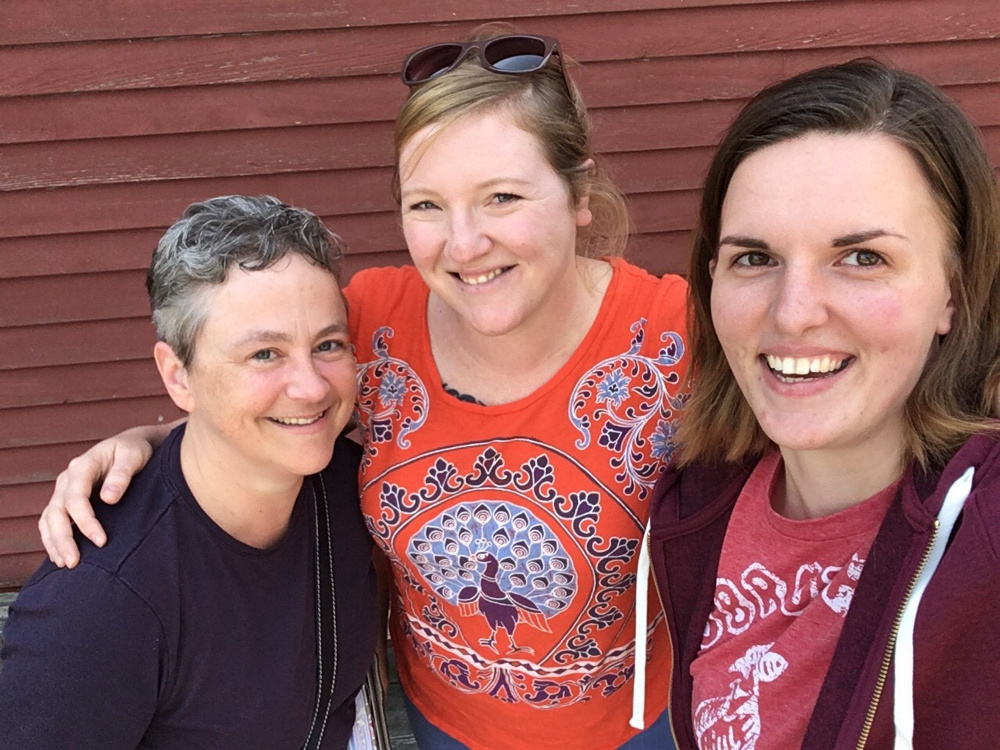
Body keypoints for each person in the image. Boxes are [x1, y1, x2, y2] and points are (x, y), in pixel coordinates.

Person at [33, 33, 686, 750]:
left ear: (579, 194)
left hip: (635, 722)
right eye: (427, 205)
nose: (462, 243)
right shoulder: (373, 323)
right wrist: (142, 443)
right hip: (444, 722)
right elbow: (272, 391)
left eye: (501, 196)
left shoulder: (673, 334)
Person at [640, 60, 1000, 749]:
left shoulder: (982, 543)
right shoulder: (702, 500)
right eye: (755, 258)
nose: (794, 312)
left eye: (862, 258)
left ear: (952, 291)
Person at [0, 196, 377, 749]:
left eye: (328, 344)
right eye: (264, 355)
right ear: (178, 377)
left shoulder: (346, 481)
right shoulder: (99, 606)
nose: (313, 387)